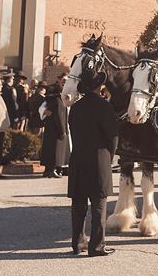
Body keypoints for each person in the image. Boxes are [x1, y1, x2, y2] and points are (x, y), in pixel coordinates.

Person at [68, 83, 118, 256]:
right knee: (99, 204)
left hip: (78, 158)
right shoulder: (104, 106)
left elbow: (73, 131)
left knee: (78, 205)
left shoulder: (75, 107)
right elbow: (113, 136)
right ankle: (97, 246)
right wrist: (109, 155)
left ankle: (78, 244)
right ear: (98, 88)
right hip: (98, 159)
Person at [41, 74, 70, 178]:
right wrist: (63, 131)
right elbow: (59, 117)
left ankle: (51, 170)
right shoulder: (57, 101)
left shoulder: (55, 100)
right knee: (56, 151)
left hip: (53, 128)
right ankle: (52, 169)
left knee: (53, 150)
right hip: (57, 129)